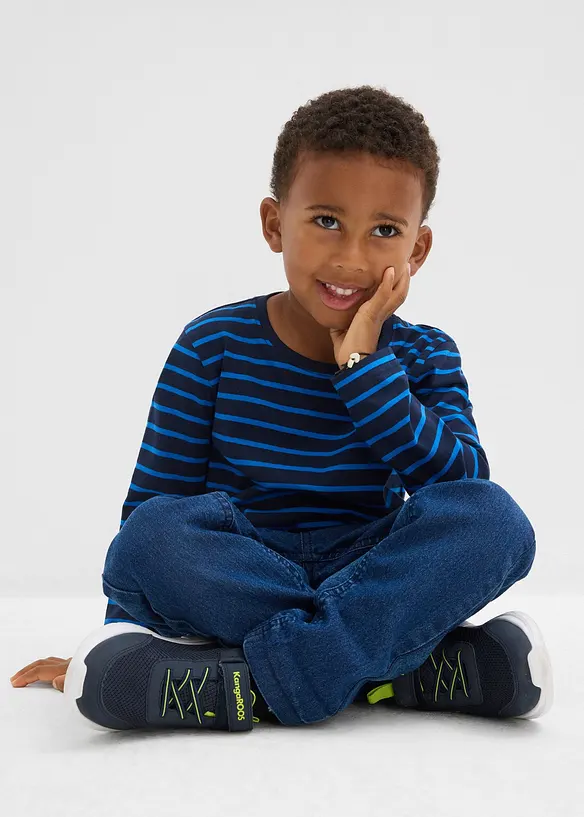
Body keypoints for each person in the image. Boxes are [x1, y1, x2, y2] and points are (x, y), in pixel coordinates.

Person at [10, 85, 553, 732]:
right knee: (149, 540)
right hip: (248, 566)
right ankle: (392, 667)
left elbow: (460, 491)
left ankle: (251, 682)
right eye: (326, 220)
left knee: (497, 520)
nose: (351, 257)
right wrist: (117, 642)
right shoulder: (211, 344)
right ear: (274, 224)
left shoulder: (427, 354)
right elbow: (152, 520)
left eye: (384, 231)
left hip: (366, 563)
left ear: (418, 249)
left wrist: (365, 370)